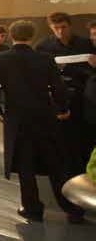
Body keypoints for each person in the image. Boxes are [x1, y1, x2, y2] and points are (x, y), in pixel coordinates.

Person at [0, 20, 85, 224]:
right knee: (55, 163)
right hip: (44, 116)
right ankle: (71, 208)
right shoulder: (45, 58)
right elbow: (58, 88)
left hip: (17, 118)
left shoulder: (0, 59)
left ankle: (32, 209)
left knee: (25, 165)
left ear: (11, 36)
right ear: (32, 36)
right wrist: (63, 108)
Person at [36, 12, 96, 176]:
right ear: (51, 28)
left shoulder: (84, 43)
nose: (60, 32)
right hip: (59, 96)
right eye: (56, 28)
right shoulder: (44, 46)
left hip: (85, 95)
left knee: (85, 134)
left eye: (64, 27)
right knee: (63, 136)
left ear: (70, 26)